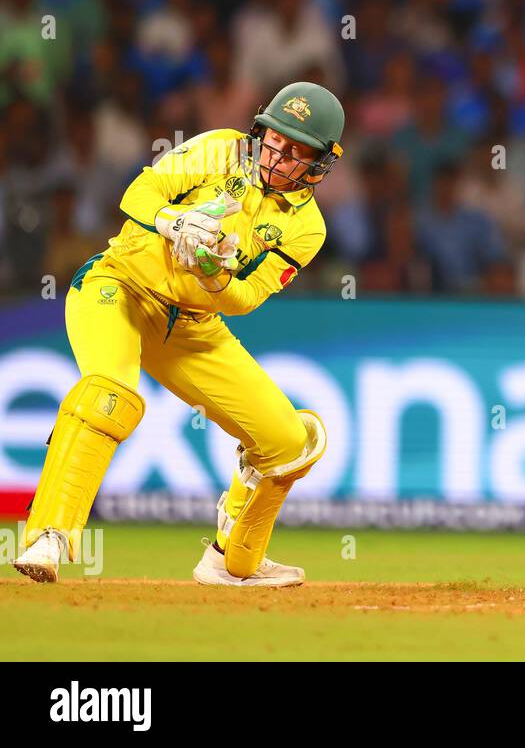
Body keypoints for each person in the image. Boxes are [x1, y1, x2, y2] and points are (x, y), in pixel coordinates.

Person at [14, 81, 345, 587]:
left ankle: (230, 558)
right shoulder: (220, 149)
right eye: (275, 139)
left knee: (288, 441)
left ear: (320, 163)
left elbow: (247, 296)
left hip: (192, 324)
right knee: (111, 394)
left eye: (297, 151)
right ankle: (48, 536)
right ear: (261, 131)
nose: (278, 156)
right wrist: (175, 224)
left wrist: (214, 275)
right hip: (119, 286)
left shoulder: (307, 228)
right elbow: (139, 193)